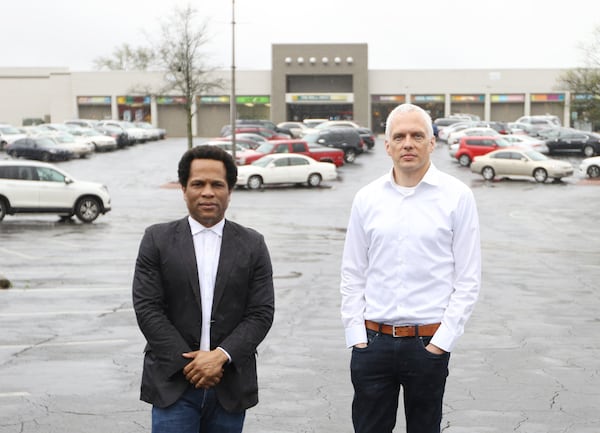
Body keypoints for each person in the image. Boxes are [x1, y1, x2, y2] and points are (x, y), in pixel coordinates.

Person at [340, 103, 481, 433]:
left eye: (417, 135)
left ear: (432, 142)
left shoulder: (457, 197)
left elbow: (468, 278)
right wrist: (356, 336)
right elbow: (353, 272)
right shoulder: (367, 198)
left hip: (427, 344)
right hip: (372, 344)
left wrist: (442, 341)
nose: (408, 143)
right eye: (399, 136)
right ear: (387, 145)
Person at [132, 145, 275, 433]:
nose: (207, 192)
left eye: (217, 184)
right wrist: (193, 365)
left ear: (230, 190)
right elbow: (148, 308)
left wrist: (220, 356)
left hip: (230, 384)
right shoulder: (156, 240)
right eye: (198, 184)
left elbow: (261, 312)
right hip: (173, 384)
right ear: (183, 189)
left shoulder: (252, 244)